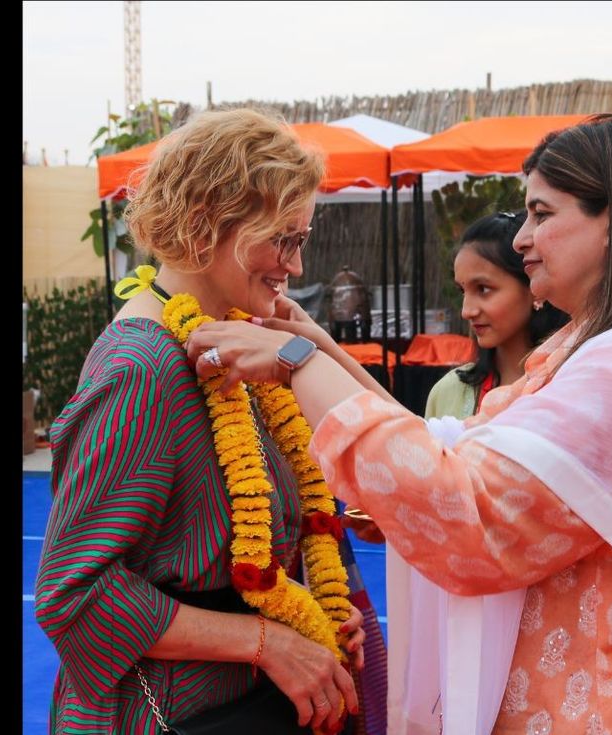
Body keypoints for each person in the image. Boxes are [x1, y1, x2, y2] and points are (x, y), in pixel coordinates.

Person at [184, 112, 612, 734]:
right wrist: (321, 349)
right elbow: (448, 451)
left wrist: (300, 364)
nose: (522, 238)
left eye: (541, 214)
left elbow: (465, 509)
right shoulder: (596, 349)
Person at [34, 108, 377, 735]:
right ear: (203, 226)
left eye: (300, 240)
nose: (296, 267)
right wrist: (268, 642)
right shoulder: (143, 368)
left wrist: (311, 609)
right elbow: (73, 593)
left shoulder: (235, 341)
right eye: (283, 240)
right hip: (179, 714)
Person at [425, 209, 570, 420]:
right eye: (462, 291)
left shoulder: (568, 386)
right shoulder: (448, 393)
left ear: (534, 288)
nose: (467, 311)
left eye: (483, 289)